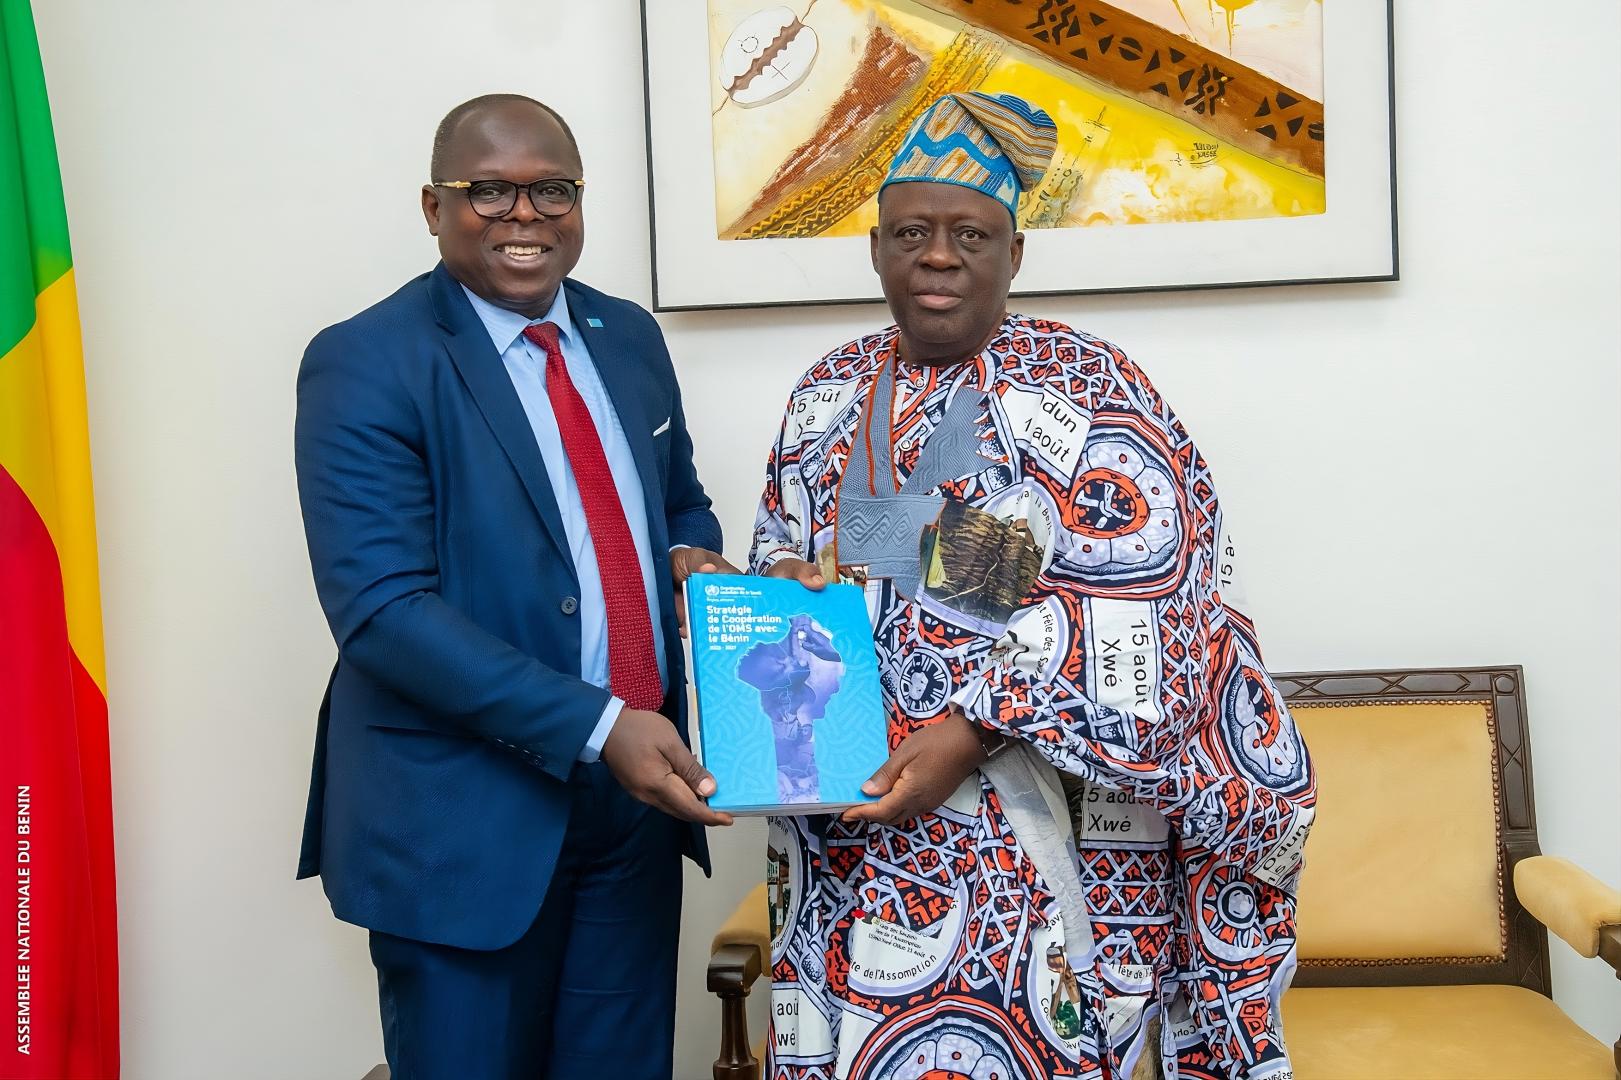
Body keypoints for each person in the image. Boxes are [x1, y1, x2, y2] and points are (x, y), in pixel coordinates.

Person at [751, 91, 1316, 1079]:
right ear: (876, 249)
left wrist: (967, 729)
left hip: (1029, 828)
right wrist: (784, 587)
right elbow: (785, 562)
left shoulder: (1089, 386)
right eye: (911, 233)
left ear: (1014, 253)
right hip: (843, 826)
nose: (938, 255)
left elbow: (1150, 604)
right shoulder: (823, 393)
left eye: (969, 233)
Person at [293, 93, 733, 1080]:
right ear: (432, 206)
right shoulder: (365, 361)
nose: (524, 214)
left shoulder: (626, 338)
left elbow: (682, 505)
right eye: (489, 190)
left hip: (632, 810)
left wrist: (684, 562)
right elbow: (382, 613)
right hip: (462, 821)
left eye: (552, 190)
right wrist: (596, 721)